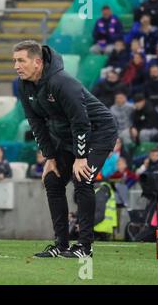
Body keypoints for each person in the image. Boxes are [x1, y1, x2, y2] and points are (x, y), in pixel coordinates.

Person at [12, 40, 118, 258]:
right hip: (68, 136)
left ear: (38, 62)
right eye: (14, 61)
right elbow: (36, 124)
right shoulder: (24, 86)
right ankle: (61, 244)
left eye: (21, 60)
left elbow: (81, 121)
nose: (16, 66)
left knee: (83, 178)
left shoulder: (61, 82)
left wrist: (81, 157)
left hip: (98, 131)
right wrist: (50, 158)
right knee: (52, 179)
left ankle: (85, 247)